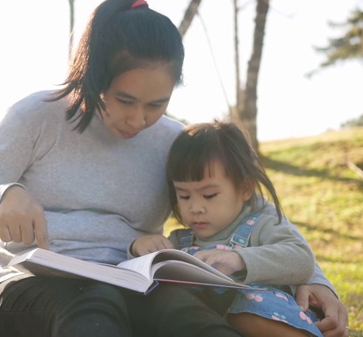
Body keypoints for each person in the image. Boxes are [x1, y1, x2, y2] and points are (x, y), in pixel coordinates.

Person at [0, 0, 349, 337]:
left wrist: (313, 280)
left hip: (135, 284)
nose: (138, 120)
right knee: (94, 303)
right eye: (125, 100)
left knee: (190, 318)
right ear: (93, 77)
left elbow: (254, 211)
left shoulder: (171, 141)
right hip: (28, 293)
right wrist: (3, 197)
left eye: (157, 104)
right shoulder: (37, 117)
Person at [131, 121, 324, 337]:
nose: (195, 208)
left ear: (244, 188)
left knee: (244, 307)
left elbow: (302, 259)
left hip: (275, 322)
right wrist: (140, 247)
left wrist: (239, 259)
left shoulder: (261, 225)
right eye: (184, 196)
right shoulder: (179, 241)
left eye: (209, 195)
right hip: (208, 326)